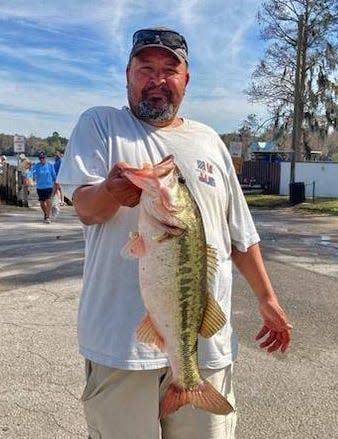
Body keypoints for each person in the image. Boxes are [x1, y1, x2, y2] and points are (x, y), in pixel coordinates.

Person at [57, 27, 292, 439]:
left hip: (205, 352)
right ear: (127, 73)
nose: (157, 79)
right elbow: (85, 208)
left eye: (170, 69)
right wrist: (111, 191)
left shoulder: (209, 142)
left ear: (186, 79)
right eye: (145, 68)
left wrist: (268, 299)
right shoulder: (101, 124)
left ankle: (189, 386)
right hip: (120, 347)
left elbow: (240, 233)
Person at [32, 151, 56, 223]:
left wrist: (57, 184)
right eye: (40, 158)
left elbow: (54, 176)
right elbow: (31, 172)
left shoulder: (50, 165)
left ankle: (47, 216)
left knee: (48, 200)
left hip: (49, 186)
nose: (42, 159)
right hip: (40, 187)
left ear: (46, 158)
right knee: (42, 202)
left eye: (43, 158)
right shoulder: (36, 166)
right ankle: (46, 213)